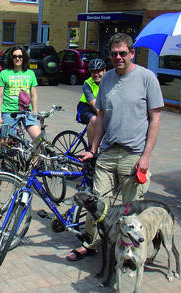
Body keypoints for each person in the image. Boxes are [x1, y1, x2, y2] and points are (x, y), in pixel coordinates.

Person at [67, 33, 164, 261]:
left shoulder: (147, 78)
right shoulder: (107, 79)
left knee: (132, 211)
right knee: (96, 202)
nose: (118, 57)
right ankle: (91, 243)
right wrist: (93, 148)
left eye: (122, 53)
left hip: (134, 155)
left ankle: (129, 253)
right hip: (108, 153)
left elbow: (156, 119)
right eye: (114, 54)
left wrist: (146, 156)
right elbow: (100, 117)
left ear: (132, 52)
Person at [0, 45, 41, 140]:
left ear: (24, 57)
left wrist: (35, 113)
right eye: (15, 56)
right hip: (9, 112)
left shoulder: (30, 73)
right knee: (6, 144)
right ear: (11, 58)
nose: (18, 58)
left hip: (26, 112)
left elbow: (34, 96)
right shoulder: (4, 73)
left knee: (38, 139)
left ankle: (34, 155)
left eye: (20, 56)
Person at [76, 58, 106, 146]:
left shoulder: (108, 81)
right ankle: (91, 150)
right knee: (95, 120)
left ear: (105, 71)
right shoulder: (87, 84)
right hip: (85, 108)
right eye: (93, 72)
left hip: (101, 107)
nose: (96, 74)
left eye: (99, 71)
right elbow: (93, 104)